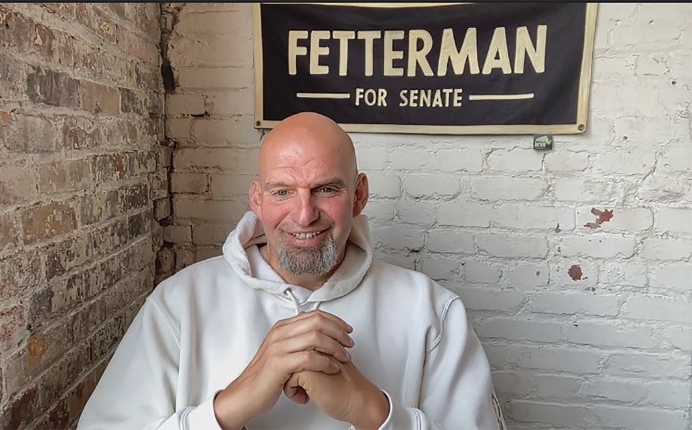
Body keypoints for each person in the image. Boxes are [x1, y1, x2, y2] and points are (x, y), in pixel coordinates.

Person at [78, 112, 506, 430]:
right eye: (283, 191)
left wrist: (372, 410)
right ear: (257, 199)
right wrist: (227, 409)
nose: (304, 215)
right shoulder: (179, 303)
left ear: (358, 196)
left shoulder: (432, 312)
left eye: (326, 189)